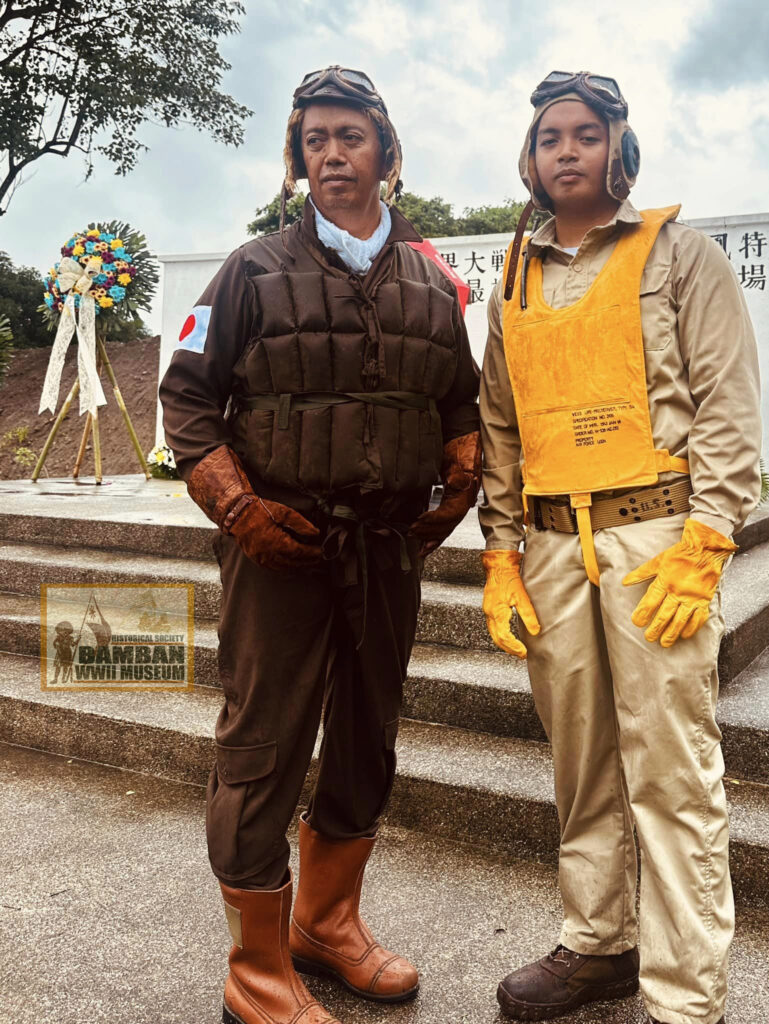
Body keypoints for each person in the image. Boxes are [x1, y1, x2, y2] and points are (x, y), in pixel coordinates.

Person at [158, 65, 481, 1024]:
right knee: (261, 744)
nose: (332, 154)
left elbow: (457, 399)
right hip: (279, 545)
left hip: (387, 548)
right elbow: (186, 401)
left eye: (350, 136)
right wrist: (240, 510)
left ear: (386, 150)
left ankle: (327, 923)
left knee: (366, 737)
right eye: (314, 140)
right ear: (296, 160)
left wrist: (458, 475)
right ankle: (256, 966)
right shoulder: (250, 269)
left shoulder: (431, 278)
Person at [478, 70, 761, 1024]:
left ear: (617, 150)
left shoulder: (682, 258)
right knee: (581, 762)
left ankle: (683, 995)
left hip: (654, 542)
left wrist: (707, 540)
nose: (565, 150)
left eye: (584, 134)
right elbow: (501, 430)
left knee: (674, 773)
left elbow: (727, 411)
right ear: (530, 157)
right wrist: (500, 554)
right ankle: (598, 943)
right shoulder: (512, 278)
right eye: (549, 136)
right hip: (555, 550)